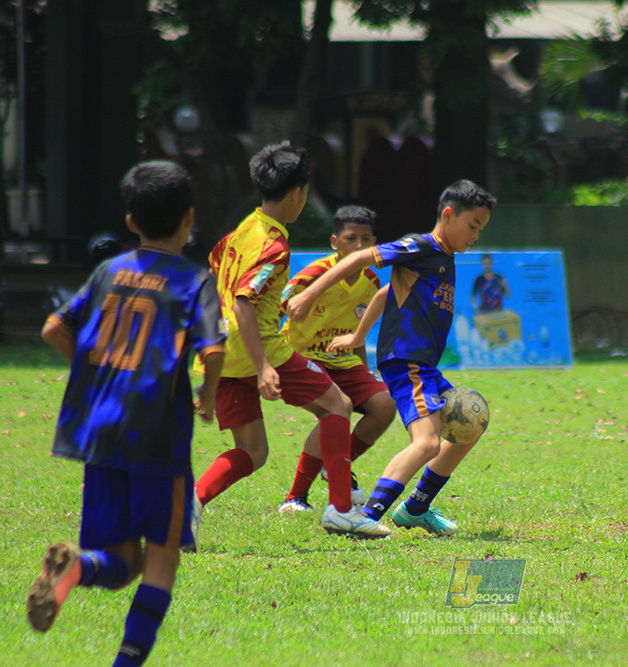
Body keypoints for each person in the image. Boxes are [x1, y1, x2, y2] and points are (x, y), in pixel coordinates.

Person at [28, 160, 226, 665]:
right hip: (156, 436)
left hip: (98, 432)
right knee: (160, 561)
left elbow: (54, 327)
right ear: (190, 218)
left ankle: (76, 567)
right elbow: (215, 350)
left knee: (121, 561)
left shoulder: (106, 270)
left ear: (131, 220)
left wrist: (96, 376)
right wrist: (207, 395)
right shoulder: (194, 280)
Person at [194, 141, 389, 540]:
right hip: (262, 349)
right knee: (337, 404)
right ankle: (340, 508)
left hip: (225, 350)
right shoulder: (274, 246)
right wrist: (264, 365)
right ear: (298, 193)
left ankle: (187, 504)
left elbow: (217, 278)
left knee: (253, 451)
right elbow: (246, 302)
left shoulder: (240, 232)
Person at [287, 179, 496, 536]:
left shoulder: (441, 258)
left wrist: (357, 335)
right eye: (473, 225)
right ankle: (365, 516)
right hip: (406, 362)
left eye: (481, 229)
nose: (476, 235)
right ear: (449, 215)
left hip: (424, 366)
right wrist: (308, 297)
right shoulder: (421, 245)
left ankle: (416, 508)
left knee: (471, 422)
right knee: (427, 442)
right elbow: (360, 258)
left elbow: (386, 291)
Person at [277, 205, 396, 512]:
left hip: (343, 361)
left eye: (366, 239)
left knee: (384, 406)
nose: (359, 246)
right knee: (336, 410)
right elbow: (273, 314)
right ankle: (295, 498)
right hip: (302, 360)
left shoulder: (370, 281)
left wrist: (366, 374)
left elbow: (356, 331)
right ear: (334, 242)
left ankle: (336, 465)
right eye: (351, 238)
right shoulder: (311, 277)